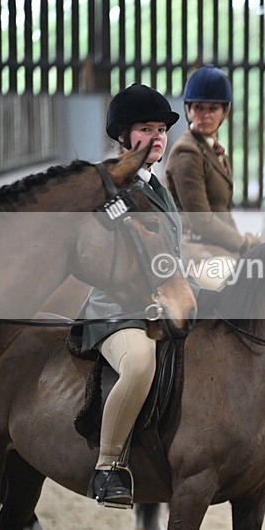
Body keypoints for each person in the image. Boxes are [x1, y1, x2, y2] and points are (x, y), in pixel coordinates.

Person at [78, 84, 184, 507]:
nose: (158, 137)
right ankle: (107, 469)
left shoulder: (159, 188)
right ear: (123, 136)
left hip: (162, 304)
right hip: (116, 310)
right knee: (140, 364)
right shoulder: (110, 188)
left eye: (161, 129)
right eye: (146, 129)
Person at [165, 64, 258, 289]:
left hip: (220, 249)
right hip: (196, 250)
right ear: (188, 110)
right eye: (198, 107)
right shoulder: (186, 152)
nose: (205, 115)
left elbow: (223, 212)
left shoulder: (216, 152)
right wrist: (243, 242)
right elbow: (202, 220)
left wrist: (245, 245)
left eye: (213, 108)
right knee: (234, 290)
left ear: (224, 112)